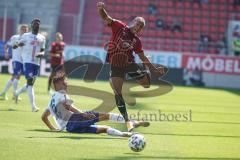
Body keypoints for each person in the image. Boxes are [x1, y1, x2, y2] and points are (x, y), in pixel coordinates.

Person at [97, 2, 164, 131]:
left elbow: (143, 57)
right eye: (138, 24)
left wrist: (153, 69)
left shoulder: (137, 41)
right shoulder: (119, 26)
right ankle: (127, 121)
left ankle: (144, 71)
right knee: (117, 92)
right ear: (133, 22)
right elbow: (106, 18)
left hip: (130, 64)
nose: (138, 28)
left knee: (146, 85)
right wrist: (101, 9)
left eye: (141, 27)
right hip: (116, 65)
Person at [41, 72, 148, 136]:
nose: (66, 85)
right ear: (57, 86)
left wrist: (54, 128)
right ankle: (131, 122)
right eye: (64, 84)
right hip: (75, 120)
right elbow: (68, 106)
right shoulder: (61, 94)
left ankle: (126, 134)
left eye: (66, 83)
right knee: (105, 116)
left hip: (70, 128)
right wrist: (84, 114)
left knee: (104, 129)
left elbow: (44, 117)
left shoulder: (51, 101)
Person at [14, 18, 46, 112]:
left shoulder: (42, 37)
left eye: (38, 24)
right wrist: (17, 45)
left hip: (36, 63)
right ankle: (33, 106)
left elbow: (43, 50)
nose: (37, 25)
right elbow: (18, 43)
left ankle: (17, 93)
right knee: (30, 83)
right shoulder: (26, 35)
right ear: (32, 25)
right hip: (27, 62)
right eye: (35, 24)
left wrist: (41, 54)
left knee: (30, 83)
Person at [0, 24, 28, 100]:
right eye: (22, 29)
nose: (24, 30)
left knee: (15, 77)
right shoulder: (14, 38)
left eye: (25, 29)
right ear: (19, 30)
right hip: (16, 60)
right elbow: (6, 45)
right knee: (17, 76)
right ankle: (15, 94)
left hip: (23, 61)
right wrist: (6, 53)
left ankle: (3, 93)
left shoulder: (27, 39)